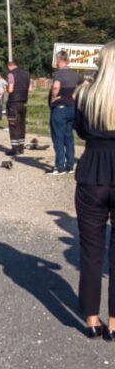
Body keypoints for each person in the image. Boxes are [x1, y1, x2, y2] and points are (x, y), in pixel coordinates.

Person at [73, 40, 115, 339]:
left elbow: (81, 130)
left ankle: (91, 319)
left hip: (92, 174)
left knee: (91, 251)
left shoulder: (85, 94)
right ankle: (114, 322)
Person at [48, 51, 84, 176]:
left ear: (59, 61)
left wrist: (54, 97)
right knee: (69, 137)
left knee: (58, 137)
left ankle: (59, 166)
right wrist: (76, 94)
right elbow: (86, 84)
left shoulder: (59, 74)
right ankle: (70, 165)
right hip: (72, 109)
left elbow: (56, 86)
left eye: (57, 62)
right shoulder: (75, 74)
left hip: (60, 108)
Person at [6, 60, 31, 155]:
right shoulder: (26, 74)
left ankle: (15, 148)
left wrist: (6, 89)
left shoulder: (11, 75)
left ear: (9, 66)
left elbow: (11, 89)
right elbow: (30, 89)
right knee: (21, 124)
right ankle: (21, 147)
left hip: (14, 102)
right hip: (24, 101)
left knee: (13, 124)